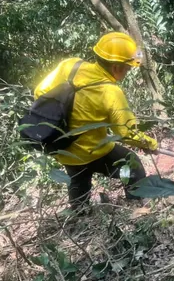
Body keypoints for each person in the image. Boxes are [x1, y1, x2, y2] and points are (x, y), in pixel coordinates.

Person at [34, 32, 158, 212]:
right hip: (94, 151)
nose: (127, 72)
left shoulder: (70, 65)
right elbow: (126, 133)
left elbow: (40, 92)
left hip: (63, 148)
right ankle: (137, 208)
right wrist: (150, 143)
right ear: (116, 67)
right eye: (127, 68)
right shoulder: (111, 92)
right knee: (133, 165)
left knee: (78, 180)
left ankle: (79, 213)